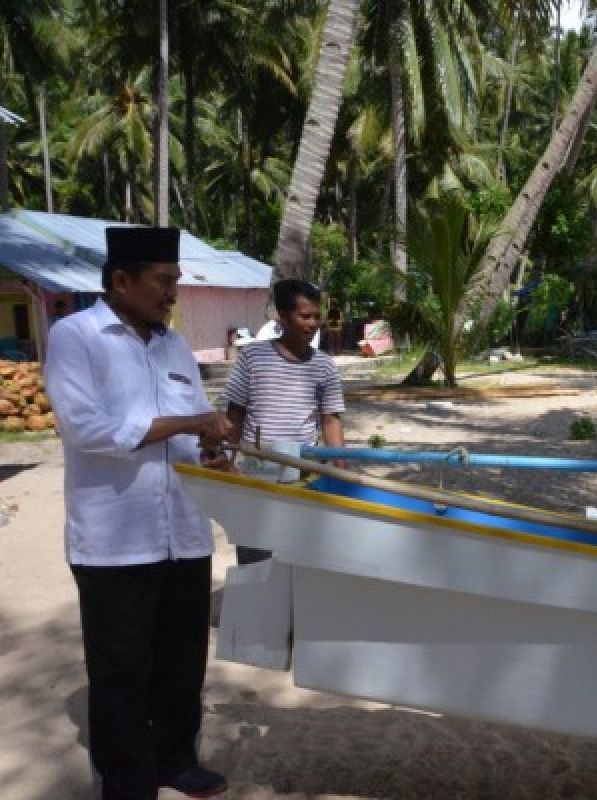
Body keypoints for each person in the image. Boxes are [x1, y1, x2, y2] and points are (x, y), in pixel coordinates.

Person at [44, 226, 232, 800]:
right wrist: (189, 424)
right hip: (114, 541)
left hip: (184, 532)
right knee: (122, 672)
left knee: (181, 662)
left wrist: (212, 446)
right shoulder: (76, 337)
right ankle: (127, 781)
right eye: (164, 281)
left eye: (175, 281)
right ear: (121, 281)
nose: (172, 293)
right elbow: (86, 429)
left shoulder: (173, 346)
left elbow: (196, 416)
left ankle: (176, 760)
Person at [221, 279, 346, 564]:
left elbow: (331, 420)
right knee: (256, 554)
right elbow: (235, 413)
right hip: (256, 469)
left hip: (303, 469)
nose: (313, 323)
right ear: (282, 315)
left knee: (301, 554)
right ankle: (258, 605)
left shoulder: (324, 365)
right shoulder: (253, 357)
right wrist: (229, 460)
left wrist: (340, 471)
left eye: (317, 316)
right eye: (305, 316)